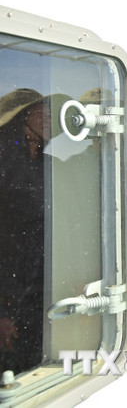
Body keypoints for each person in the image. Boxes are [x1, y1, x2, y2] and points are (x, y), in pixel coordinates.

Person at [0, 89, 67, 374]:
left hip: (37, 290)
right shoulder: (5, 159)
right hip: (9, 294)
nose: (52, 119)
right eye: (44, 111)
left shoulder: (47, 164)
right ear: (24, 114)